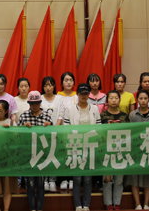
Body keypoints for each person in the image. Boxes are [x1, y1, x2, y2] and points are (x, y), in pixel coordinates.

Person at [63, 83, 100, 211]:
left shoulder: (94, 109)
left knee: (88, 178)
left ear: (89, 94)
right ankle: (78, 205)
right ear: (77, 94)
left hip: (90, 146)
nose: (84, 96)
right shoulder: (70, 109)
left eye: (86, 94)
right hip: (76, 146)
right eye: (81, 94)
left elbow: (99, 127)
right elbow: (66, 128)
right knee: (77, 178)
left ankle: (86, 205)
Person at [18, 91, 52, 211]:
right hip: (29, 154)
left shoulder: (47, 116)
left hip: (42, 154)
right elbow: (18, 135)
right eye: (32, 103)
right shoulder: (24, 116)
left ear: (40, 103)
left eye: (37, 103)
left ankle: (40, 208)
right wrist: (23, 128)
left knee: (41, 184)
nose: (34, 106)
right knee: (30, 184)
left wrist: (49, 126)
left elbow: (53, 135)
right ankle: (32, 208)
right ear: (29, 103)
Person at [100, 90, 128, 211]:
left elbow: (129, 133)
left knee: (119, 180)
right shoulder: (102, 116)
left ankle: (117, 204)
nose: (114, 100)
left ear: (119, 100)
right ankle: (108, 204)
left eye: (116, 98)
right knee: (107, 179)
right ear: (107, 101)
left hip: (121, 150)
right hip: (106, 151)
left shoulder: (124, 116)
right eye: (111, 98)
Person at [129, 90, 149, 210]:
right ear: (137, 100)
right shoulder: (132, 115)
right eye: (141, 98)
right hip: (136, 149)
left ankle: (146, 204)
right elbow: (130, 132)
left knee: (148, 177)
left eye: (145, 98)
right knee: (134, 177)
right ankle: (137, 204)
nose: (143, 101)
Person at [39, 76, 64, 192]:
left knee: (54, 155)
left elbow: (61, 115)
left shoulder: (59, 99)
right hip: (43, 132)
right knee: (44, 155)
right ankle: (44, 180)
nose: (48, 88)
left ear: (54, 86)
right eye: (45, 85)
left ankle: (53, 180)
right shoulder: (40, 98)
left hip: (56, 132)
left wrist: (55, 128)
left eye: (50, 85)